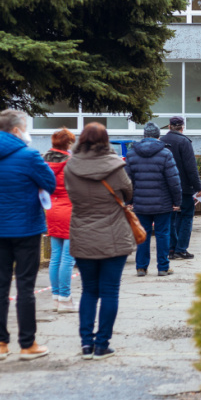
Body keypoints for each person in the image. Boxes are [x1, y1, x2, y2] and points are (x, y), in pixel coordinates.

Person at [0, 109, 56, 361]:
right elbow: (50, 183)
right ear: (15, 130)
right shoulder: (29, 155)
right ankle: (27, 343)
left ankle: (0, 343)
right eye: (24, 127)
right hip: (26, 228)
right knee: (25, 286)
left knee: (0, 285)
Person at [64, 123, 137, 361]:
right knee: (109, 292)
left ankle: (86, 344)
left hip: (82, 233)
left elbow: (71, 194)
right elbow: (128, 193)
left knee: (88, 291)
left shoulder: (71, 166)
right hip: (113, 234)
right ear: (106, 140)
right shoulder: (115, 167)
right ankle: (102, 344)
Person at [125, 122, 181, 277]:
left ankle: (141, 267)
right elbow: (174, 180)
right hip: (162, 203)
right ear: (158, 136)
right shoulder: (165, 153)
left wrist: (128, 201)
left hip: (140, 204)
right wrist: (177, 202)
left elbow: (127, 180)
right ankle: (163, 267)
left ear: (144, 135)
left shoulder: (131, 154)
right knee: (163, 234)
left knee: (143, 233)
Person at [160, 117, 201, 261]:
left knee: (171, 218)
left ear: (169, 126)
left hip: (166, 187)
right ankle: (181, 249)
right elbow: (191, 168)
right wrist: (198, 187)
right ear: (182, 127)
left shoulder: (161, 141)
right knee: (185, 217)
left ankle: (172, 248)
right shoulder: (184, 141)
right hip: (183, 187)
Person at [43, 128, 78, 314]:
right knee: (68, 257)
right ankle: (65, 298)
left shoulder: (44, 160)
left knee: (56, 256)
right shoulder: (71, 163)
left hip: (52, 210)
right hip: (69, 210)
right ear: (69, 144)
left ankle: (57, 296)